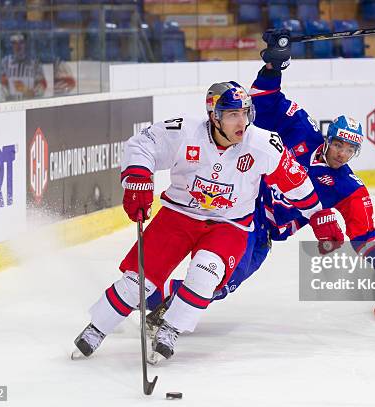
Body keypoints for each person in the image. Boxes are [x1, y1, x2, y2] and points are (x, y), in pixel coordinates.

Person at [148, 29, 375, 324]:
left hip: (266, 234)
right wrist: (274, 66)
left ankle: (153, 299)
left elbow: (364, 235)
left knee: (223, 285)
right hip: (245, 208)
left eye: (349, 149)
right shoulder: (302, 129)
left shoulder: (348, 188)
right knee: (219, 271)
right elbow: (266, 101)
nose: (342, 154)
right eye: (339, 144)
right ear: (328, 138)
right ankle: (150, 302)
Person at [73, 81, 343, 364]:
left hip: (230, 225)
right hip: (178, 216)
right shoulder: (185, 132)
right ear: (214, 116)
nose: (243, 121)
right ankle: (96, 328)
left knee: (206, 275)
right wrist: (138, 178)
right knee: (137, 283)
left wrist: (317, 215)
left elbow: (296, 182)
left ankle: (171, 329)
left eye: (245, 112)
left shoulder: (263, 144)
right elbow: (143, 144)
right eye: (233, 115)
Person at [0, 32, 47, 101]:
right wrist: (7, 96)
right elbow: (1, 85)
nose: (18, 46)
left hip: (30, 104)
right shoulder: (5, 62)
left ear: (26, 44)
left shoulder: (34, 63)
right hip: (11, 105)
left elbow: (42, 84)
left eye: (21, 42)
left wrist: (34, 93)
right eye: (14, 43)